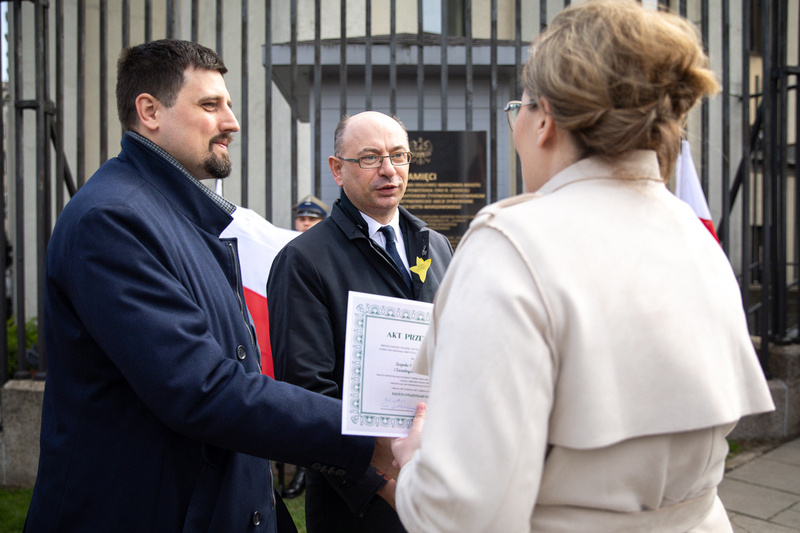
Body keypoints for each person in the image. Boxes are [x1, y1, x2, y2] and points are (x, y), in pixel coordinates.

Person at [389, 2, 775, 532]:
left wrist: (412, 463)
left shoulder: (513, 245)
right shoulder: (695, 235)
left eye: (518, 109)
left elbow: (460, 513)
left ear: (544, 119)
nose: (516, 126)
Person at [25, 39, 395, 533]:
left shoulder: (175, 216)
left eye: (228, 104)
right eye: (209, 105)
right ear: (149, 111)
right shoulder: (112, 220)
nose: (232, 122)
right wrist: (366, 432)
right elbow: (202, 390)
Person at [267, 111, 454, 532]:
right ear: (337, 169)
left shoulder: (436, 246)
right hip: (359, 504)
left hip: (437, 483)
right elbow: (307, 393)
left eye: (399, 156)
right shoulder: (303, 260)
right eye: (370, 158)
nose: (389, 170)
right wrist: (381, 483)